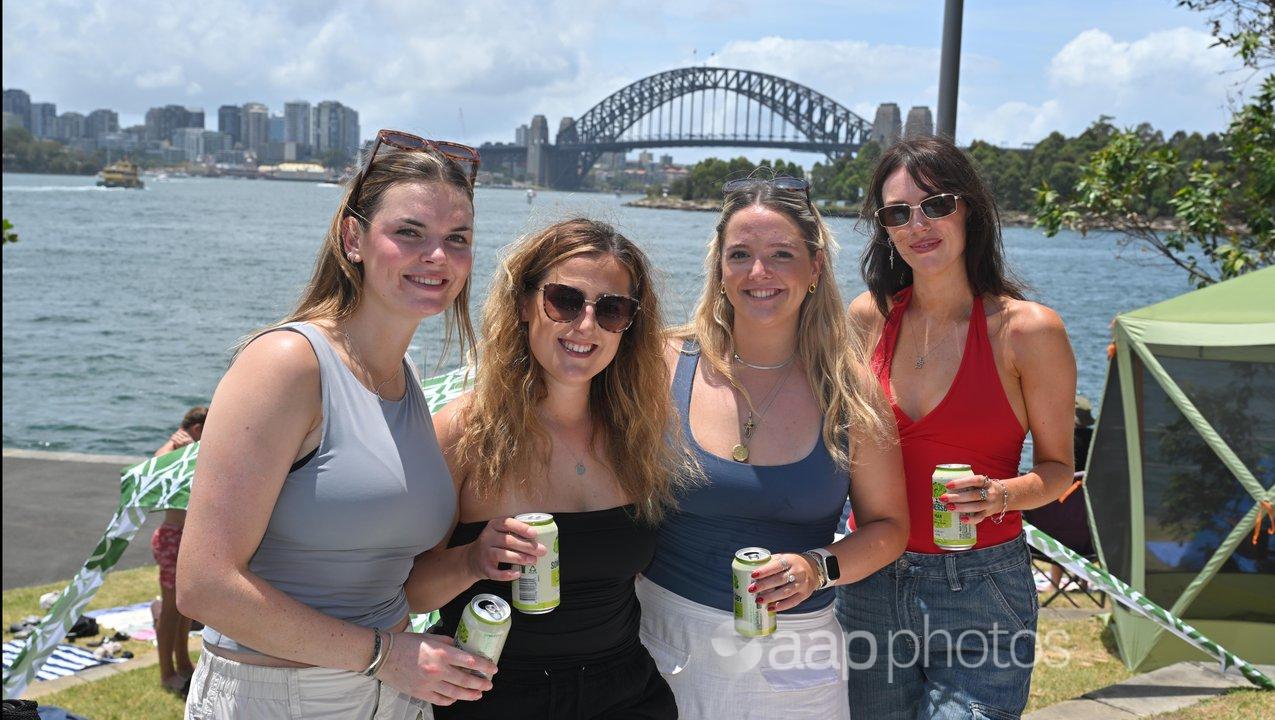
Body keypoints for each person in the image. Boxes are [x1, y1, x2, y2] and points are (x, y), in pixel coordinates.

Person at [177, 130, 497, 719]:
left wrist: (475, 561)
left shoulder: (403, 378)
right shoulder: (287, 364)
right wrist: (385, 656)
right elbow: (204, 585)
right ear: (353, 237)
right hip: (282, 698)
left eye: (458, 239)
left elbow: (391, 583)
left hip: (394, 694)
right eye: (409, 232)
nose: (437, 257)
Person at [638, 176, 909, 719]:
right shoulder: (660, 363)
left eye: (781, 254)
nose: (758, 273)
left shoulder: (851, 391)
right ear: (719, 269)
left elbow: (889, 530)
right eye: (740, 254)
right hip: (659, 640)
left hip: (795, 658)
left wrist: (817, 568)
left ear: (815, 269)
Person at [410, 218, 689, 719]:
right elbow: (406, 591)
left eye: (612, 309)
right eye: (564, 300)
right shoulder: (463, 432)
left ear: (630, 326)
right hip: (493, 697)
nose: (585, 325)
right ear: (523, 303)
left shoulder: (640, 433)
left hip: (626, 696)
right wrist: (473, 560)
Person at [838, 135, 1076, 719]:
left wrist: (997, 495)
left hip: (981, 587)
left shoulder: (1029, 331)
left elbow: (1057, 471)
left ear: (969, 207)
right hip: (870, 579)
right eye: (898, 213)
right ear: (886, 230)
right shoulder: (867, 317)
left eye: (936, 204)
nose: (919, 224)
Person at [151, 406, 206, 695]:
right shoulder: (175, 451)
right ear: (196, 430)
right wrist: (174, 443)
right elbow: (154, 466)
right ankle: (166, 673)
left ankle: (183, 664)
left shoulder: (192, 454)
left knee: (185, 607)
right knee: (171, 610)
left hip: (187, 537)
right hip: (173, 537)